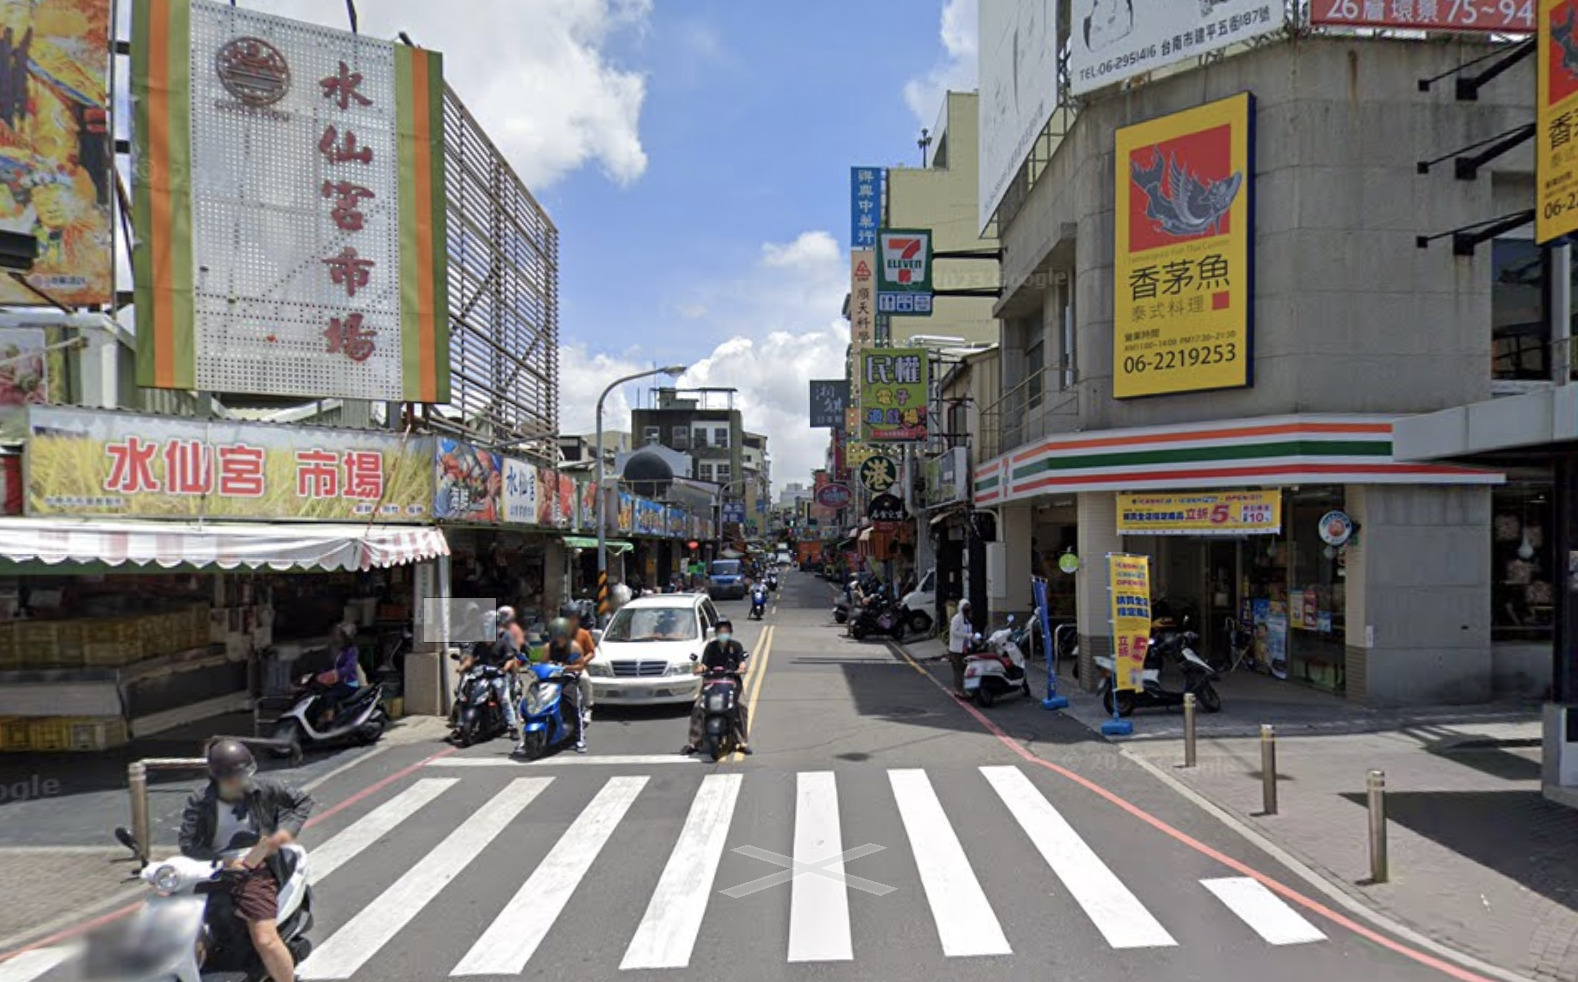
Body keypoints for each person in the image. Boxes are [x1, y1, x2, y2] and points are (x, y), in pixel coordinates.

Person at [178, 739, 314, 982]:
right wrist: (220, 862)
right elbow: (188, 844)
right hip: (214, 870)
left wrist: (284, 832)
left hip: (255, 867)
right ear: (215, 776)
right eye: (230, 778)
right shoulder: (200, 800)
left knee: (265, 939)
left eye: (242, 776)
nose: (238, 783)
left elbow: (302, 802)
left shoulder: (264, 788)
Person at [682, 617, 751, 755]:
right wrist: (700, 668)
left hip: (731, 682)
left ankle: (742, 741)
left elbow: (742, 662)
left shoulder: (736, 646)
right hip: (712, 682)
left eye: (725, 630)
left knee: (741, 707)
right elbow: (704, 664)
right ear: (716, 632)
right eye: (720, 630)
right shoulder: (711, 647)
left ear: (730, 632)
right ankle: (694, 742)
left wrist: (742, 667)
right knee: (698, 707)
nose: (723, 633)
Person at [454, 616, 521, 740]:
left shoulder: (502, 644)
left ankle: (512, 727)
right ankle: (459, 726)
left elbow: (510, 659)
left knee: (504, 699)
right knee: (465, 698)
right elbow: (471, 659)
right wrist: (462, 667)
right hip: (482, 675)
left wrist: (504, 669)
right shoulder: (480, 645)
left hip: (498, 675)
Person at [540, 617, 590, 752]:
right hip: (551, 679)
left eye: (561, 636)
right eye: (556, 636)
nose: (559, 639)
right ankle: (527, 738)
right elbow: (543, 664)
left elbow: (580, 665)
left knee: (573, 705)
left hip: (567, 679)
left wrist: (566, 668)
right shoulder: (548, 647)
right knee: (537, 703)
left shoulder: (574, 647)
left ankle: (579, 738)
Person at [314, 623, 361, 725]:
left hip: (349, 683)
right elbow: (328, 665)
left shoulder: (352, 650)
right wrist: (321, 674)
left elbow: (349, 668)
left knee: (330, 696)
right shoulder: (334, 649)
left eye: (338, 634)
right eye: (334, 633)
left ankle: (329, 721)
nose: (335, 636)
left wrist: (334, 674)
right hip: (336, 682)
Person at [561, 603, 598, 727]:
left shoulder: (583, 634)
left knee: (584, 679)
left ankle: (588, 707)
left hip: (577, 668)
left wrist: (582, 661)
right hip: (560, 667)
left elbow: (591, 652)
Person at [942, 599, 974, 699]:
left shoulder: (967, 619)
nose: (967, 609)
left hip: (965, 649)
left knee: (965, 671)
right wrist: (968, 636)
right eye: (965, 607)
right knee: (958, 671)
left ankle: (964, 690)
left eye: (968, 607)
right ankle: (959, 691)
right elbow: (954, 632)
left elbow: (969, 632)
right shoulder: (956, 619)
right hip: (956, 650)